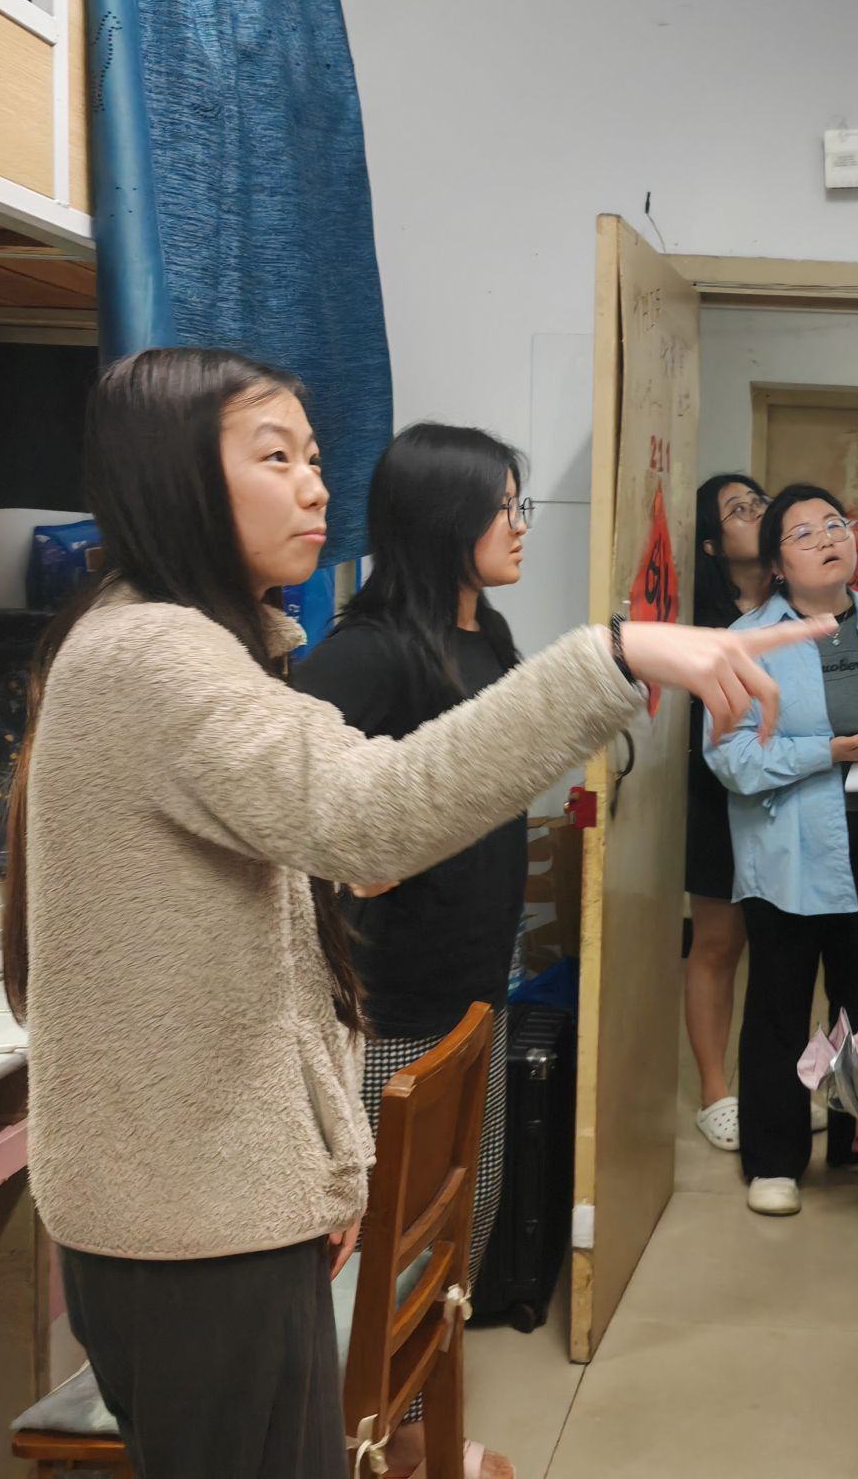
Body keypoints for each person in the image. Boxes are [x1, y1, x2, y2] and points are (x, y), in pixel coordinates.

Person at [1, 346, 829, 1479]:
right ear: (173, 477)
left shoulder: (189, 641)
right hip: (193, 1221)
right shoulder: (155, 653)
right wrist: (615, 654)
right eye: (275, 458)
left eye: (315, 458)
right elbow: (368, 817)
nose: (315, 487)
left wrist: (321, 1164)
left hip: (230, 1198)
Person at [292, 423, 534, 1479]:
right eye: (503, 507)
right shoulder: (372, 649)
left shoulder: (487, 635)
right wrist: (352, 865)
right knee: (390, 1241)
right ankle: (373, 1439)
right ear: (445, 519)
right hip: (392, 1003)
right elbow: (291, 796)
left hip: (476, 985)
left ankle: (411, 1426)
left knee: (460, 1221)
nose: (518, 526)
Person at [704, 483, 858, 1218]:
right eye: (804, 532)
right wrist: (830, 753)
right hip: (788, 850)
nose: (827, 539)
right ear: (777, 564)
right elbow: (731, 757)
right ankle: (774, 1159)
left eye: (836, 524)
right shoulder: (749, 639)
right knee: (780, 1008)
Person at [683, 472, 771, 1152]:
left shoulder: (799, 605)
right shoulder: (697, 622)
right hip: (716, 797)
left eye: (760, 501)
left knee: (785, 949)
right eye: (739, 510)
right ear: (712, 544)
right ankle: (717, 1092)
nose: (757, 513)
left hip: (792, 793)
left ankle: (776, 1088)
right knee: (718, 944)